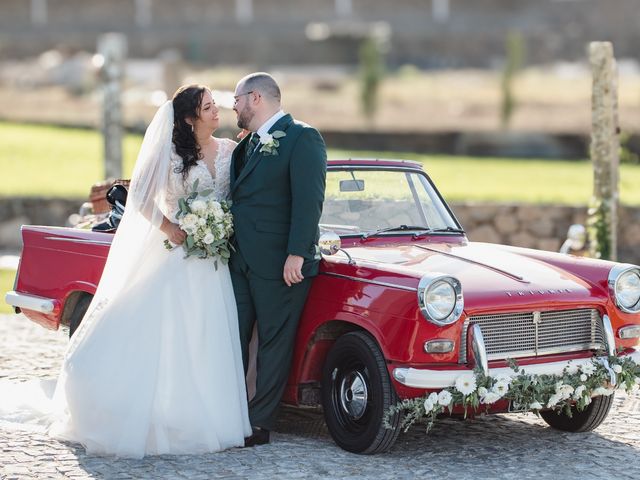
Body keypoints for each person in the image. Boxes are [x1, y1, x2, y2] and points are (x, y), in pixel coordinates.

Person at [1, 85, 251, 458]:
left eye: (217, 105)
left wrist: (217, 227)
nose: (218, 112)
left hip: (213, 260)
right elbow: (139, 198)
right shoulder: (170, 154)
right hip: (176, 254)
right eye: (209, 107)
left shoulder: (231, 150)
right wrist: (171, 228)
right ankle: (148, 410)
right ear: (188, 118)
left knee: (207, 335)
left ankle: (205, 414)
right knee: (166, 334)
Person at [229, 72, 327, 446]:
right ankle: (229, 411)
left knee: (273, 342)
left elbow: (309, 201)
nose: (233, 107)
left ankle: (259, 423)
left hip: (280, 265)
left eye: (236, 100)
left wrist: (297, 254)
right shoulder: (247, 144)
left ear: (255, 98)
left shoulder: (303, 137)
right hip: (239, 262)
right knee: (231, 338)